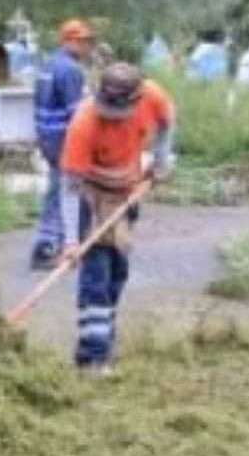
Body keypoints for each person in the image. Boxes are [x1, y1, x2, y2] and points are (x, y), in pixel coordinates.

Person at [58, 62, 176, 375]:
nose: (108, 114)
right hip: (91, 198)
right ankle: (92, 359)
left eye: (116, 108)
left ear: (136, 100)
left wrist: (162, 161)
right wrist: (71, 240)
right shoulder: (84, 123)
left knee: (117, 274)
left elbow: (167, 121)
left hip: (126, 195)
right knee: (96, 277)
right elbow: (69, 187)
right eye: (105, 106)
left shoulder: (152, 96)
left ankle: (103, 343)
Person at [29, 19, 95, 271]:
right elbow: (77, 113)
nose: (87, 47)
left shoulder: (47, 64)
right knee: (64, 191)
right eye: (84, 42)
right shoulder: (70, 70)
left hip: (46, 135)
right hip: (64, 137)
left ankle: (58, 242)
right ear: (70, 40)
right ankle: (48, 248)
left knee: (56, 189)